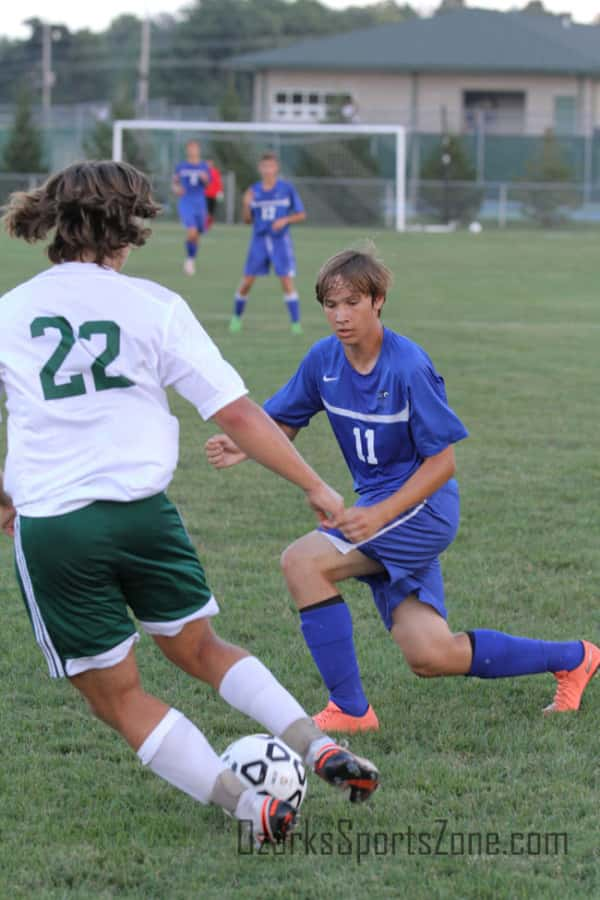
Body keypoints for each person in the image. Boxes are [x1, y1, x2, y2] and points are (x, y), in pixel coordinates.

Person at [0, 164, 379, 848]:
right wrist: (313, 484)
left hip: (57, 527)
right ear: (129, 232)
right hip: (146, 517)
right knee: (200, 646)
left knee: (117, 697)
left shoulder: (11, 309)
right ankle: (316, 745)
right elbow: (235, 412)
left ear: (56, 222)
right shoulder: (155, 306)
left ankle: (249, 808)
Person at [207, 246, 600, 734]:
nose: (340, 316)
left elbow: (444, 463)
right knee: (430, 654)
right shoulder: (324, 360)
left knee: (302, 562)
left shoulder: (409, 366)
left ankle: (350, 710)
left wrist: (378, 516)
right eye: (331, 305)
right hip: (380, 511)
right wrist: (245, 444)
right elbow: (283, 420)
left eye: (352, 302)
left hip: (423, 510)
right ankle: (575, 658)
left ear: (378, 300)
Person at [229, 152, 306, 335]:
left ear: (276, 168)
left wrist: (285, 220)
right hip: (259, 241)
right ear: (260, 168)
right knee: (247, 281)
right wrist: (246, 205)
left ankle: (295, 324)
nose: (267, 170)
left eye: (271, 166)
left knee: (286, 281)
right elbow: (247, 220)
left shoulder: (286, 189)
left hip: (280, 241)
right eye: (264, 166)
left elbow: (301, 214)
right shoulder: (253, 191)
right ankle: (236, 319)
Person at [172, 139, 210, 275]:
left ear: (198, 150)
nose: (193, 151)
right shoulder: (181, 167)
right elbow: (175, 183)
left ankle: (192, 258)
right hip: (186, 201)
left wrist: (204, 178)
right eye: (190, 148)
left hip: (200, 202)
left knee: (197, 234)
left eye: (195, 148)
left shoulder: (204, 166)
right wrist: (176, 189)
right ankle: (189, 261)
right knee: (192, 231)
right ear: (187, 150)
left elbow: (208, 185)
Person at [204, 159, 224, 230]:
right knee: (205, 211)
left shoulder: (215, 172)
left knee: (211, 211)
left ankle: (209, 225)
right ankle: (205, 225)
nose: (209, 164)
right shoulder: (204, 171)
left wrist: (220, 192)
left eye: (210, 162)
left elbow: (219, 183)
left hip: (213, 195)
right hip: (205, 194)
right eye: (208, 162)